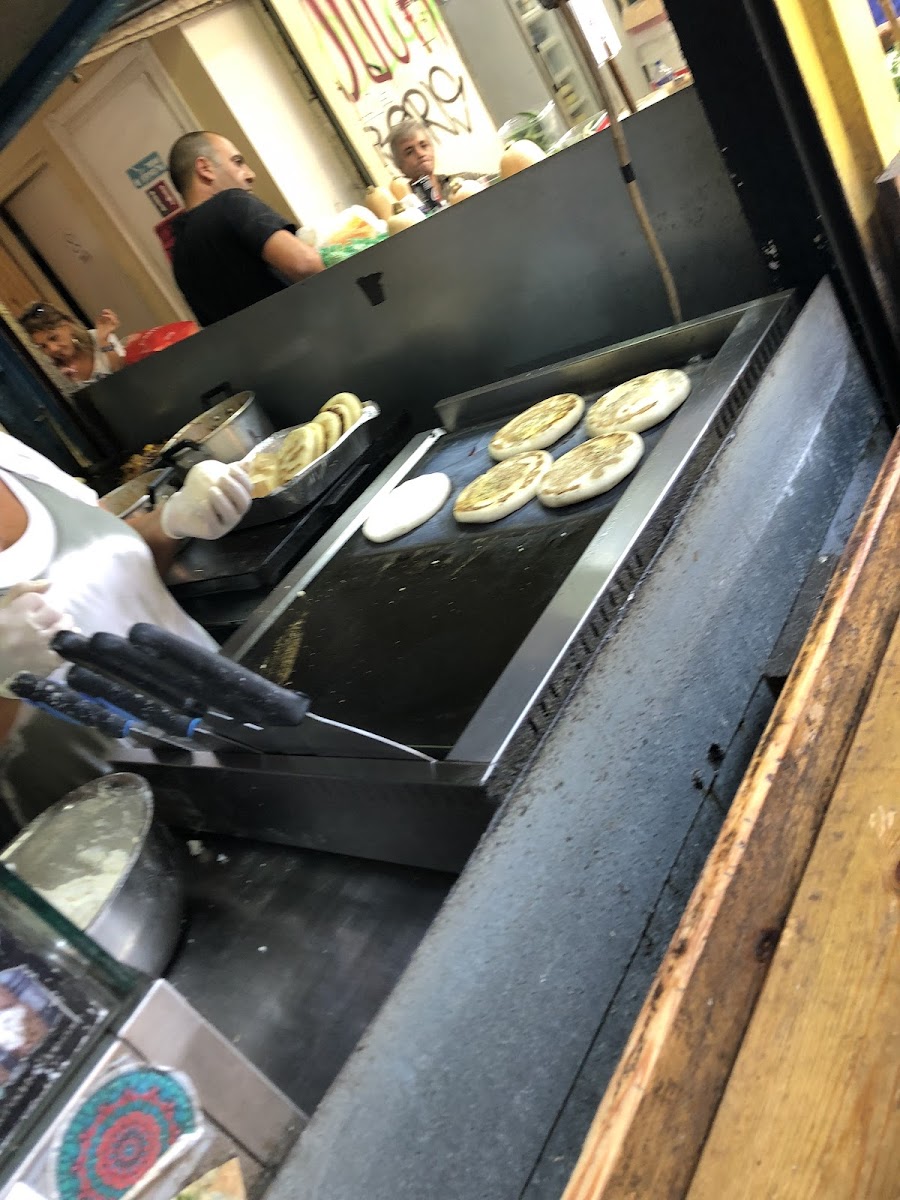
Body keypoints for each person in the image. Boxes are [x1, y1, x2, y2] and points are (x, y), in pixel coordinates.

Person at [0, 431, 252, 831]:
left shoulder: (11, 456)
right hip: (128, 829)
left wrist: (171, 520)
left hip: (243, 722)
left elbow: (107, 554)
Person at [167, 131, 324, 326]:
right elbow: (305, 264)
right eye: (237, 162)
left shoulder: (179, 254)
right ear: (205, 168)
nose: (250, 174)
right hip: (315, 336)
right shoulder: (231, 202)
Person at [19, 302, 126, 386]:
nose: (53, 349)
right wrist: (65, 384)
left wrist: (104, 342)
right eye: (43, 346)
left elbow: (123, 374)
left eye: (54, 338)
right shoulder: (50, 369)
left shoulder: (98, 337)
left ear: (68, 326)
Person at [388, 118, 483, 206]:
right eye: (409, 152)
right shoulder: (406, 205)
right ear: (399, 165)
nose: (420, 154)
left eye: (424, 145)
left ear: (432, 148)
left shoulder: (466, 180)